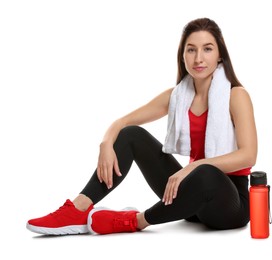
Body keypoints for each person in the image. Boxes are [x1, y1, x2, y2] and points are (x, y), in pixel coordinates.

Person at [27, 17, 257, 236]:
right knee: (130, 135)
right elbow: (122, 122)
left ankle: (134, 220)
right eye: (191, 49)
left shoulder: (235, 96)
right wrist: (106, 143)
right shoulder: (177, 96)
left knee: (205, 173)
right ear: (182, 56)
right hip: (192, 200)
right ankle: (77, 210)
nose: (198, 58)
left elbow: (248, 156)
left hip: (229, 205)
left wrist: (192, 168)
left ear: (219, 55)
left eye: (207, 49)